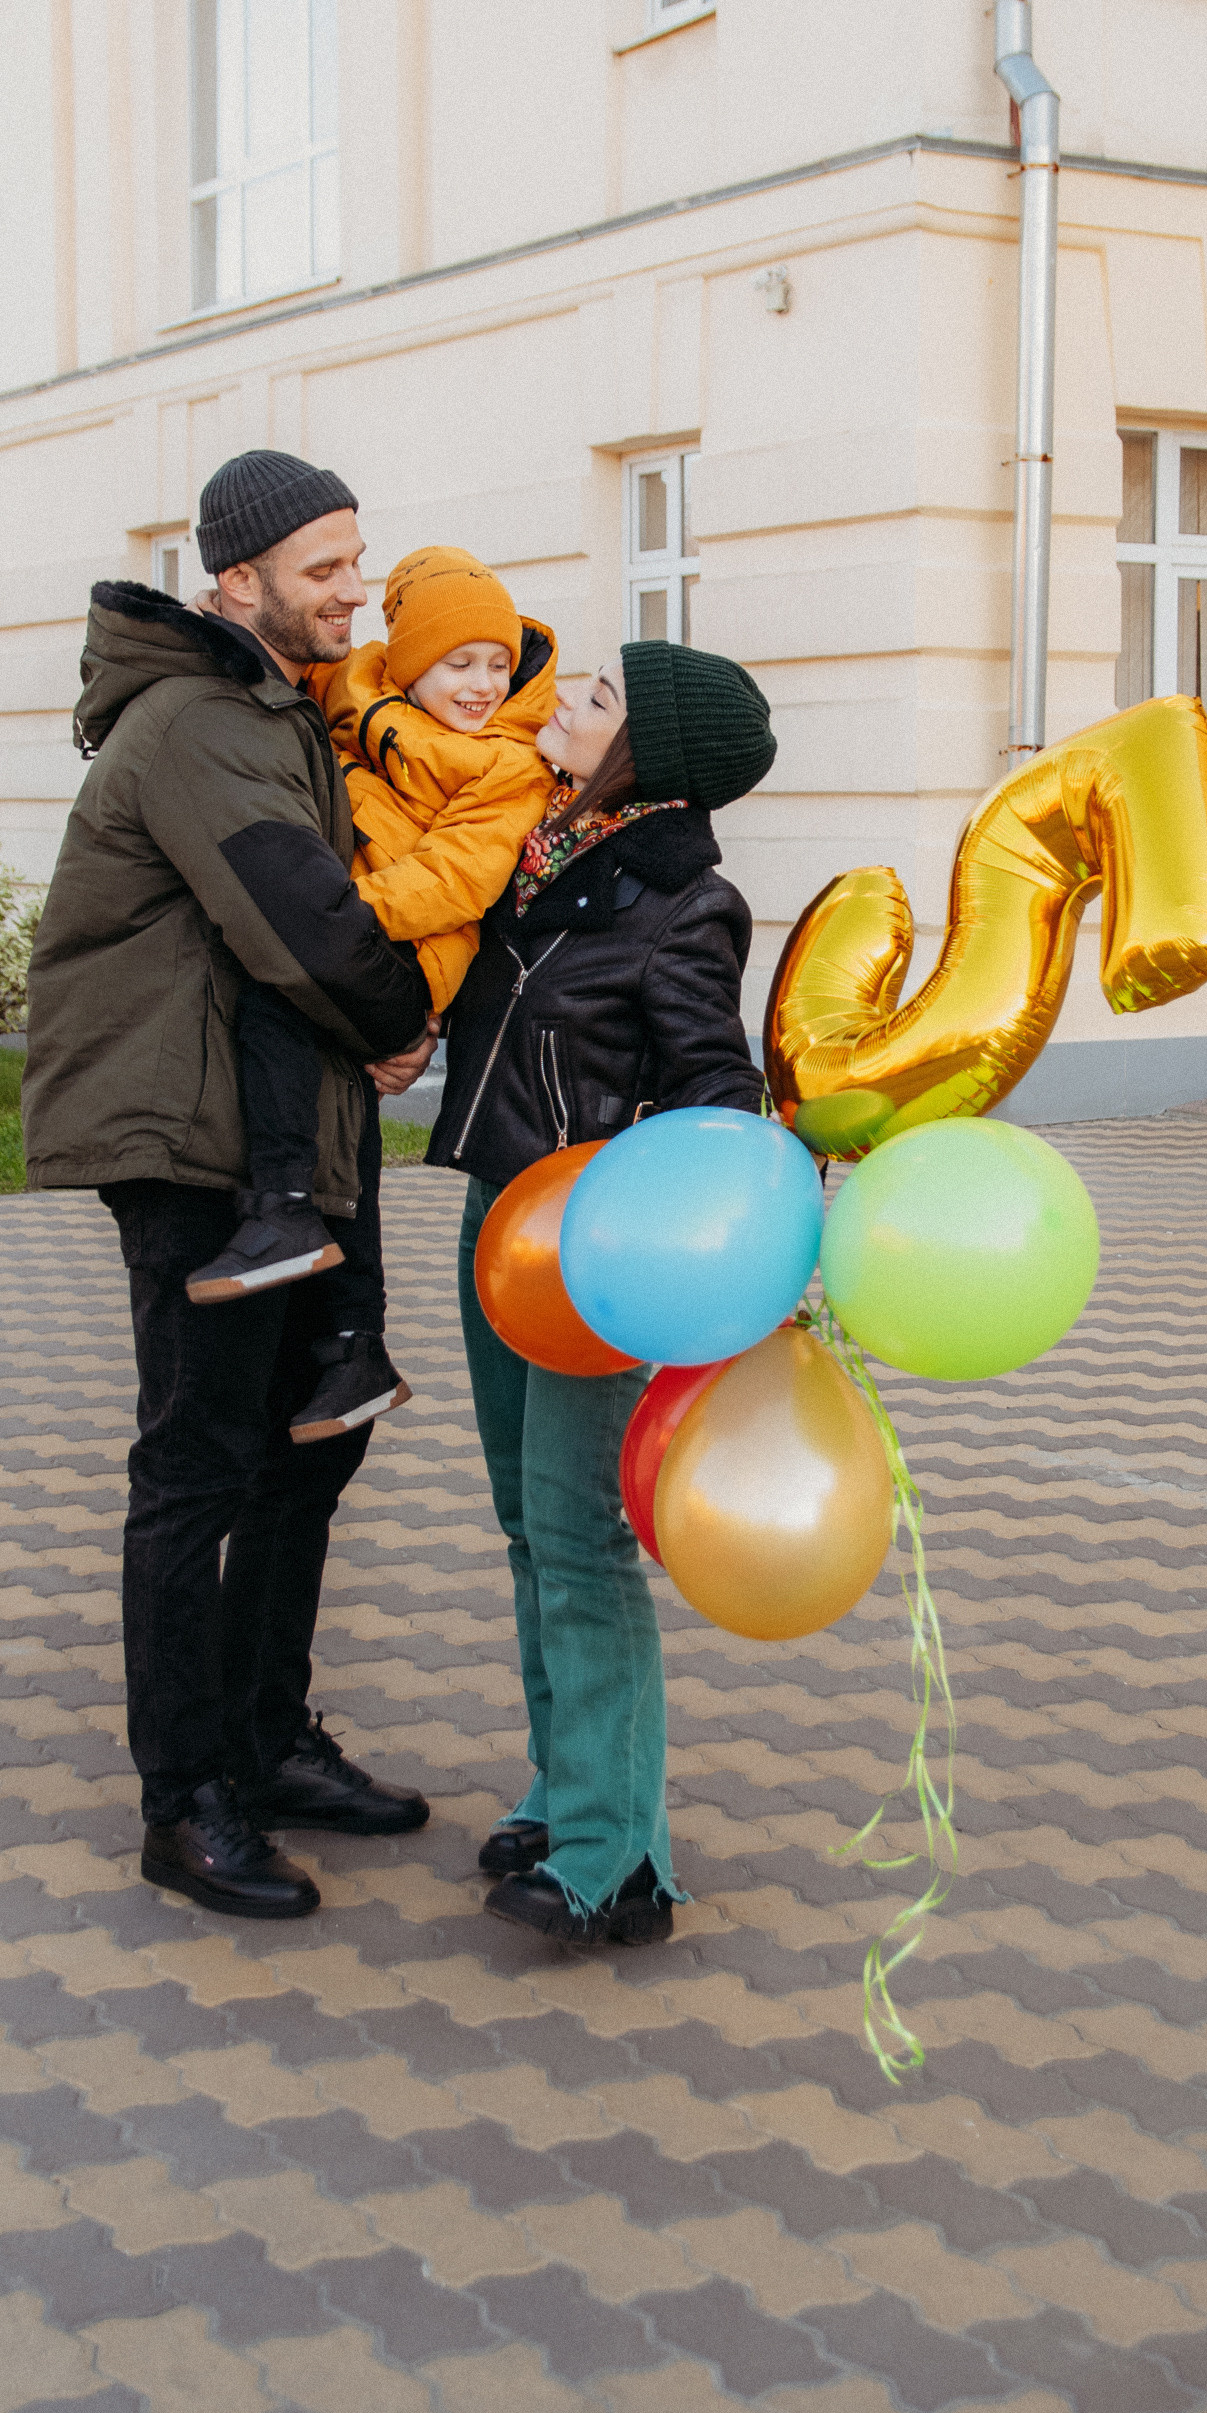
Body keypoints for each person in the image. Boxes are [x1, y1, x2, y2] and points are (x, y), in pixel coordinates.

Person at [22, 449, 439, 1922]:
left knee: (304, 1451)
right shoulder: (202, 720)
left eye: (357, 559)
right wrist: (400, 1021)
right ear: (237, 580)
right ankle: (184, 1798)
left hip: (278, 1139)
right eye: (324, 567)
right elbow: (298, 916)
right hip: (189, 1144)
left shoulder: (276, 708)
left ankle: (264, 1740)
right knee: (198, 1464)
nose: (353, 590)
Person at [428, 639, 778, 1945]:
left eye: (597, 697)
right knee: (530, 1527)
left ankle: (618, 1858)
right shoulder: (540, 857)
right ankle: (564, 1788)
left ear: (651, 754)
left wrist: (691, 1229)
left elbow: (714, 1092)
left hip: (595, 1249)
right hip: (498, 1222)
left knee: (580, 1538)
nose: (565, 702)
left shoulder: (683, 901)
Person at [184, 549, 559, 1452]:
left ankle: (283, 1207)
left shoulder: (510, 760)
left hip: (412, 941)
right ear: (408, 664)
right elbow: (284, 664)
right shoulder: (357, 688)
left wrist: (333, 919)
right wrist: (214, 623)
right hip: (354, 923)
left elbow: (459, 878)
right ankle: (354, 1341)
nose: (482, 684)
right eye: (459, 662)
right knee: (339, 1101)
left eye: (497, 663)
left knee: (278, 1003)